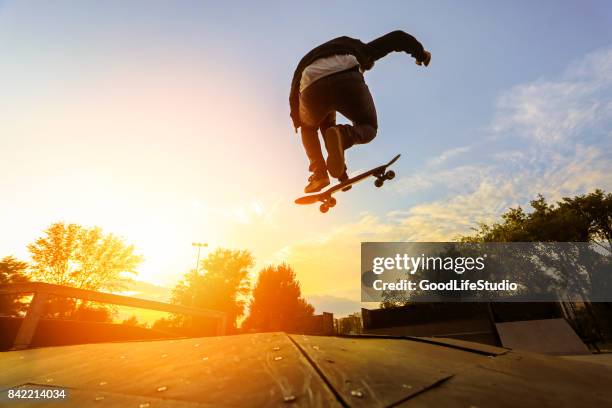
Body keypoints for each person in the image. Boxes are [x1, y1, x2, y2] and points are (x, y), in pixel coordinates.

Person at [290, 30, 431, 193]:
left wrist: (296, 119)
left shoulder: (306, 61)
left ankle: (319, 174)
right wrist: (420, 54)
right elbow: (397, 38)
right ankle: (345, 135)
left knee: (308, 128)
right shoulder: (358, 48)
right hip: (347, 74)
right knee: (367, 126)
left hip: (310, 85)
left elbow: (294, 90)